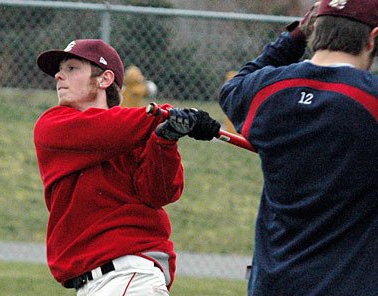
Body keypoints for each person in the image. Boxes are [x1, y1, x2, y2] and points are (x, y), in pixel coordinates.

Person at [33, 39, 220, 295]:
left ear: (104, 79)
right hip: (99, 283)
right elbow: (105, 130)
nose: (58, 75)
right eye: (60, 70)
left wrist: (166, 140)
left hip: (130, 274)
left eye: (72, 68)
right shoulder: (54, 125)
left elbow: (160, 194)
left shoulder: (139, 133)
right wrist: (167, 114)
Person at [219, 0, 378, 295]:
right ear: (372, 38)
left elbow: (233, 88)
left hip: (273, 284)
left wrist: (291, 39)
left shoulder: (266, 90)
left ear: (313, 29)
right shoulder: (369, 100)